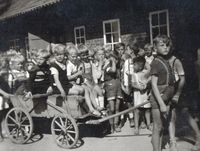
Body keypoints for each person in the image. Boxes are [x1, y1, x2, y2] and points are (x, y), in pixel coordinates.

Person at [150, 35, 175, 151]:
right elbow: (154, 84)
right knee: (158, 127)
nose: (166, 47)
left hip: (167, 95)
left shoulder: (166, 60)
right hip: (158, 97)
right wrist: (161, 104)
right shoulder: (155, 62)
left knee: (162, 125)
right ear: (155, 48)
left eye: (167, 45)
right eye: (162, 45)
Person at [65, 44, 101, 116]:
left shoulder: (75, 62)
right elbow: (68, 78)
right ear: (68, 56)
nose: (75, 58)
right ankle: (91, 109)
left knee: (89, 89)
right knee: (86, 90)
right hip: (71, 83)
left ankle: (96, 106)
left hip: (76, 82)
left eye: (76, 56)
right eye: (73, 57)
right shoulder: (69, 65)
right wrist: (78, 74)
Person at [167, 49, 185, 151]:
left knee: (186, 115)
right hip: (169, 91)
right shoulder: (161, 60)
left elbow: (182, 79)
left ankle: (198, 136)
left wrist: (177, 94)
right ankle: (172, 142)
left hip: (179, 91)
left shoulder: (176, 61)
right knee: (171, 116)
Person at [103, 49, 123, 133]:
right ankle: (111, 125)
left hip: (117, 85)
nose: (115, 60)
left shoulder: (118, 66)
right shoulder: (107, 66)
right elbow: (113, 70)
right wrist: (112, 61)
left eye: (115, 58)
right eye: (113, 58)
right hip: (110, 86)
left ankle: (116, 124)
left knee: (117, 107)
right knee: (111, 108)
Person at [131, 56, 151, 135]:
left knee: (147, 109)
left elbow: (151, 78)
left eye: (134, 65)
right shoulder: (134, 74)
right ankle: (136, 127)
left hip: (145, 93)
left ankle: (148, 124)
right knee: (137, 110)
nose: (133, 66)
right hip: (137, 94)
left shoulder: (146, 73)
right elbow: (132, 84)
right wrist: (139, 87)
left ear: (140, 66)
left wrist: (146, 85)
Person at [0, 56, 13, 142]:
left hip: (3, 95)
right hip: (1, 95)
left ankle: (4, 131)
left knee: (4, 114)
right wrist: (4, 93)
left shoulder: (2, 74)